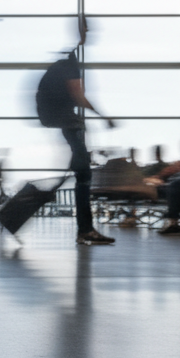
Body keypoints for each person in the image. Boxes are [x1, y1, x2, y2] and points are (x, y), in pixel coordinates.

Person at [36, 17, 116, 246]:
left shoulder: (69, 60)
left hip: (61, 117)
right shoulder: (71, 62)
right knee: (83, 174)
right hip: (64, 118)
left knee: (81, 170)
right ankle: (85, 230)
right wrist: (104, 116)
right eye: (87, 28)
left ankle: (85, 229)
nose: (91, 32)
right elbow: (78, 96)